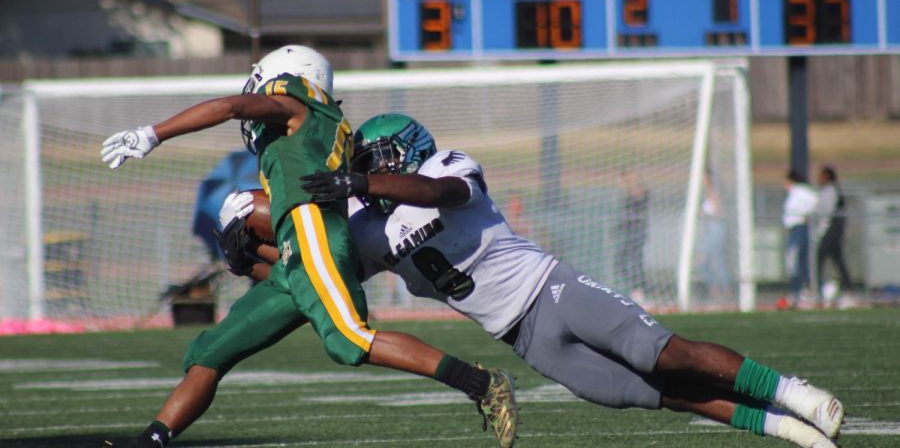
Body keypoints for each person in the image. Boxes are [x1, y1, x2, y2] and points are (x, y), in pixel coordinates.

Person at [285, 113, 843, 448]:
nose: (368, 177)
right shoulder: (368, 231)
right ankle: (783, 430)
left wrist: (362, 180)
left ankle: (794, 393)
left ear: (402, 152)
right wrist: (266, 246)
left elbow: (441, 196)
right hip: (522, 337)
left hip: (551, 289)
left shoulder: (443, 166)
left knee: (660, 353)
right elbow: (323, 277)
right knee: (648, 393)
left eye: (375, 163)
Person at [99, 47, 518, 448]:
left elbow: (231, 107)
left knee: (348, 340)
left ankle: (483, 385)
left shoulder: (303, 102)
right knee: (211, 350)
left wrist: (153, 134)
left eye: (263, 87)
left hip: (311, 225)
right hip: (297, 240)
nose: (257, 97)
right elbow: (297, 284)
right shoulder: (302, 134)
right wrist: (244, 257)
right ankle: (150, 440)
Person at [814, 165, 851, 306]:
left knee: (821, 257)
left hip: (831, 229)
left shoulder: (831, 191)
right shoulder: (826, 191)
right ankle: (845, 287)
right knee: (837, 259)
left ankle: (819, 287)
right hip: (828, 229)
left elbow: (826, 211)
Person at [782, 170, 820, 309]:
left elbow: (816, 201)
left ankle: (802, 290)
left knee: (796, 259)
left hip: (800, 228)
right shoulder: (794, 193)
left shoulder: (801, 191)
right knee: (797, 260)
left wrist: (806, 214)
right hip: (794, 229)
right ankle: (799, 290)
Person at [696, 168, 731, 302]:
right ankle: (715, 291)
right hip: (708, 230)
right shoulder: (705, 194)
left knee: (717, 261)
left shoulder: (714, 193)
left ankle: (726, 290)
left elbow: (718, 213)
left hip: (716, 229)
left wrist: (705, 214)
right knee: (702, 263)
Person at [615, 169, 650, 300]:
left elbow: (639, 197)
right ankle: (635, 289)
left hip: (638, 232)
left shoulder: (639, 191)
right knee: (621, 261)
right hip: (628, 232)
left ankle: (639, 290)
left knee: (635, 261)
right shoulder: (626, 194)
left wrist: (630, 182)